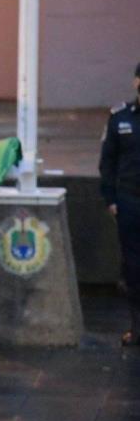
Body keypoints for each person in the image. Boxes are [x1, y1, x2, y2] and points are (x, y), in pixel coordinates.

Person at [99, 62, 140, 346]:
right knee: (133, 267)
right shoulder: (120, 117)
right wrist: (111, 199)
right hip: (130, 200)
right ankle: (137, 328)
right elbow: (108, 162)